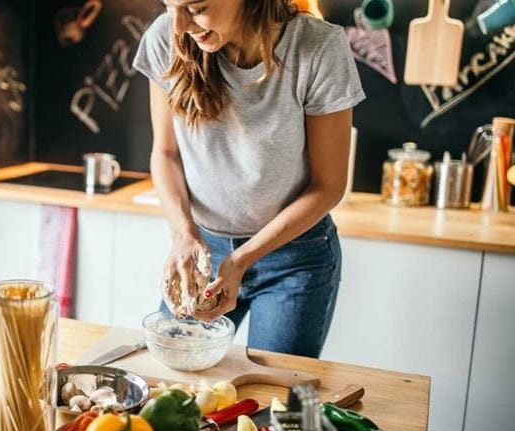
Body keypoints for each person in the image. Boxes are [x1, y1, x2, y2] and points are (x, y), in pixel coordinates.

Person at [133, 0, 365, 358]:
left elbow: (328, 186)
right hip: (203, 250)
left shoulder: (318, 47)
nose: (177, 25)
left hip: (294, 258)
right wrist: (183, 235)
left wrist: (241, 260)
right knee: (174, 380)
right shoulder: (166, 38)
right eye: (169, 6)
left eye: (195, 7)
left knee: (271, 400)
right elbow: (165, 154)